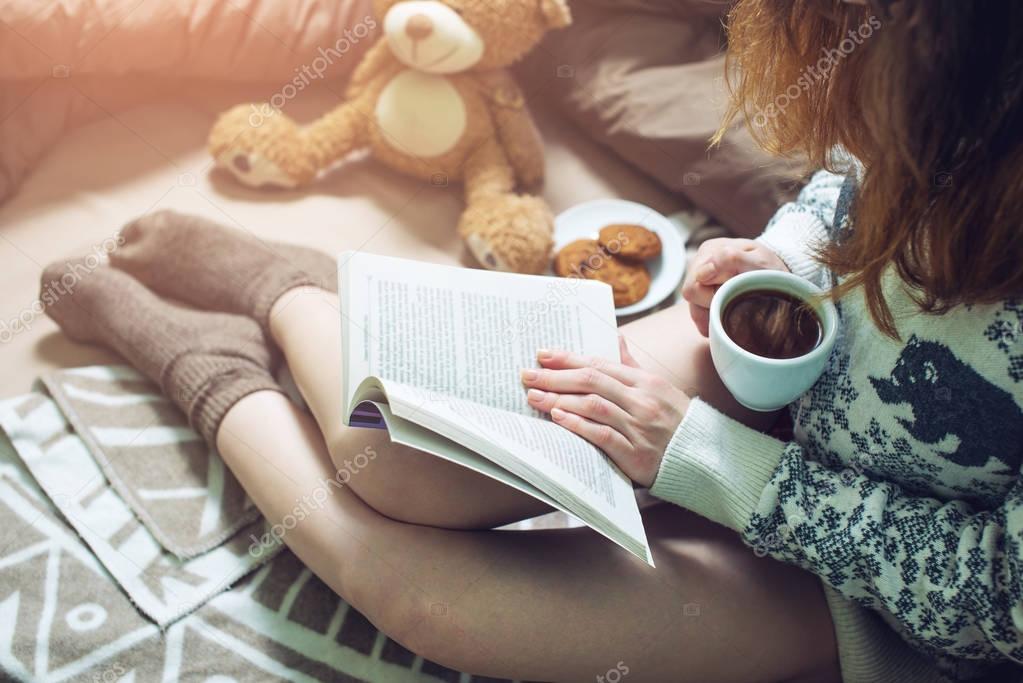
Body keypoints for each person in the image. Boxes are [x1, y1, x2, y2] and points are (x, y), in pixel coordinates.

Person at [41, 0, 1023, 680]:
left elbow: (992, 591)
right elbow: (849, 176)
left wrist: (707, 462)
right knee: (391, 453)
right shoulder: (943, 100)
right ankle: (282, 287)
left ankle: (193, 358)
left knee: (440, 608)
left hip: (870, 595)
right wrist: (782, 259)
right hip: (773, 367)